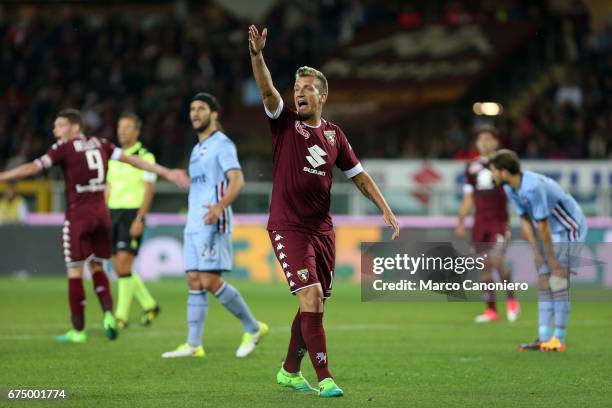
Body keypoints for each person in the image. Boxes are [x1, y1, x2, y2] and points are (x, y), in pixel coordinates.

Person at [248, 26, 399, 397]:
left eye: (306, 88)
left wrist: (386, 209)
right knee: (311, 296)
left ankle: (288, 370)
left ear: (323, 95)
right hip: (288, 227)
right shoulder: (284, 124)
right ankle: (325, 376)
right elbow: (267, 90)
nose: (298, 93)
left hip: (322, 230)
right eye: (296, 89)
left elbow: (359, 176)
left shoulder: (335, 135)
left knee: (313, 304)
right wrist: (257, 56)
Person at [0, 109, 189, 343]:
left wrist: (3, 176)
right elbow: (135, 162)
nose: (55, 130)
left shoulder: (64, 148)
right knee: (98, 266)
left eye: (60, 126)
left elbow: (33, 168)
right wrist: (167, 172)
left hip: (79, 216)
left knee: (75, 271)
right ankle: (110, 314)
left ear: (75, 128)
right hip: (102, 214)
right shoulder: (102, 144)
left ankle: (78, 330)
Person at [161, 93, 268, 359]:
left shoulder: (223, 144)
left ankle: (253, 328)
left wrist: (219, 207)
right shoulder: (197, 149)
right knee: (194, 279)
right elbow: (205, 183)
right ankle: (194, 344)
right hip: (194, 221)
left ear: (214, 113)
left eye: (201, 108)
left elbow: (237, 181)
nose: (195, 113)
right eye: (192, 108)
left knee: (210, 280)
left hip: (213, 219)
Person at [490, 149, 587, 352]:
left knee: (558, 279)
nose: (493, 175)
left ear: (505, 172)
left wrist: (550, 258)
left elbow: (542, 224)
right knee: (544, 279)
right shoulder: (510, 188)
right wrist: (536, 254)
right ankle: (543, 337)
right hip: (552, 230)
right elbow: (525, 218)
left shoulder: (532, 187)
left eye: (494, 171)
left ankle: (558, 339)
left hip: (570, 227)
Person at [455, 126, 519, 323]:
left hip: (499, 221)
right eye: (480, 139)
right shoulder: (471, 167)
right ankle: (491, 310)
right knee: (484, 266)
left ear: (495, 142)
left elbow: (516, 188)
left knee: (497, 260)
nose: (483, 142)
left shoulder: (504, 162)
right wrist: (461, 220)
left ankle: (511, 299)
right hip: (480, 222)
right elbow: (468, 196)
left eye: (487, 138)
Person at [106, 113, 160, 329]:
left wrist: (140, 218)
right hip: (112, 213)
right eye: (120, 127)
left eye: (128, 127)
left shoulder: (146, 157)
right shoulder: (113, 157)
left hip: (131, 214)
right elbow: (108, 187)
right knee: (119, 266)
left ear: (137, 131)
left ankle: (120, 316)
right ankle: (149, 305)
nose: (122, 131)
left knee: (123, 263)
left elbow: (148, 191)